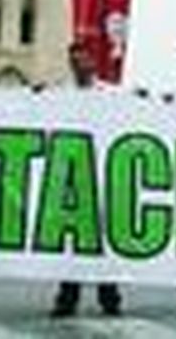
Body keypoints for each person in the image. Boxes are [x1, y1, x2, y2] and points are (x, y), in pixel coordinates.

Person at [51, 41, 122, 318]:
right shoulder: (60, 94)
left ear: (93, 62)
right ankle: (67, 299)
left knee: (104, 242)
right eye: (74, 61)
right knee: (73, 244)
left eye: (83, 59)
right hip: (72, 178)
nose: (79, 65)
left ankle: (110, 298)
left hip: (102, 175)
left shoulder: (111, 93)